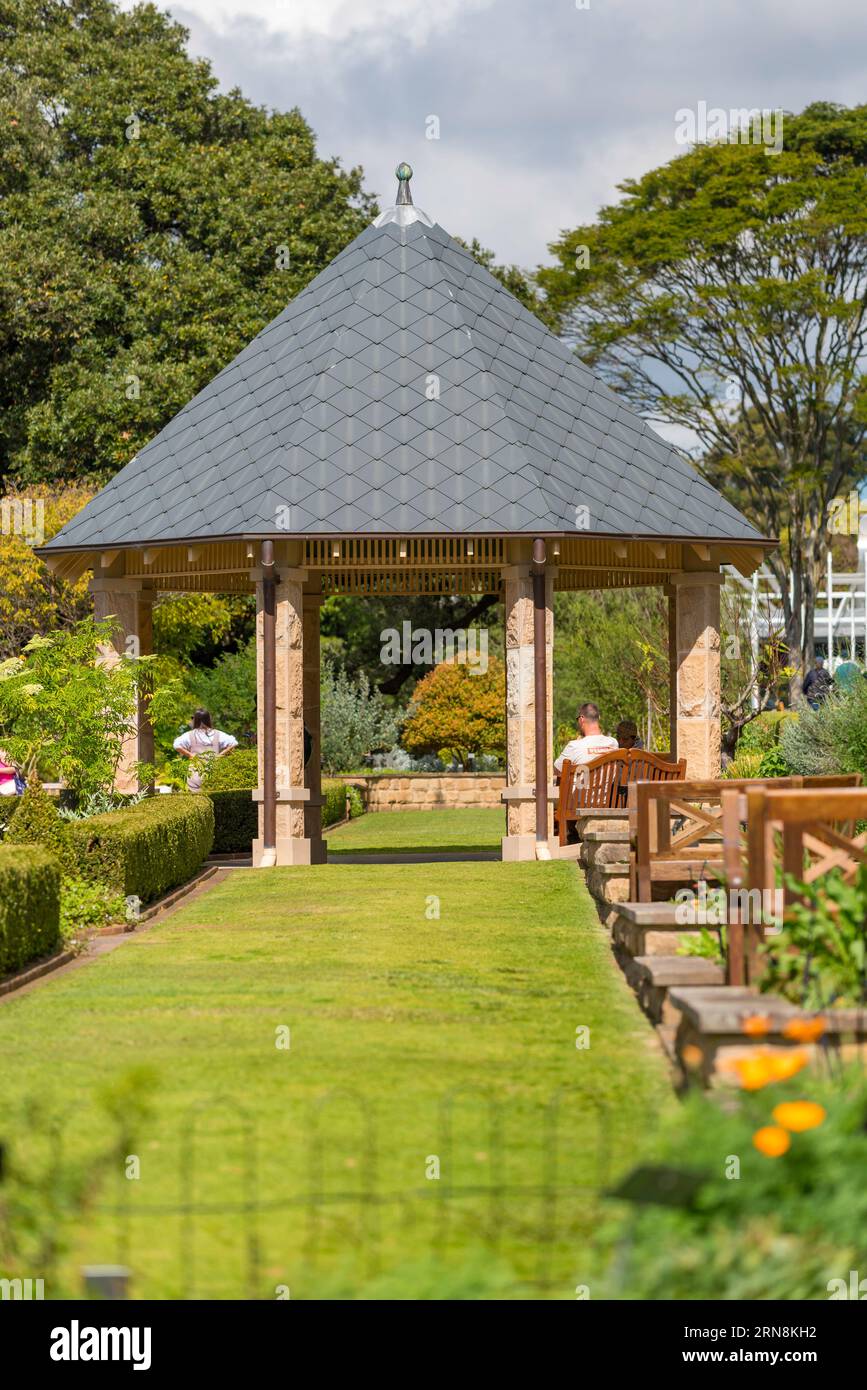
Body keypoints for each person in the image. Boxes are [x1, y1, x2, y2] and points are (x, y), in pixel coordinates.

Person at [173, 709, 237, 790]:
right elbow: (233, 743)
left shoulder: (189, 735)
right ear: (208, 720)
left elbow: (176, 745)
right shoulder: (217, 734)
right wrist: (220, 755)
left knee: (197, 799)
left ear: (195, 720)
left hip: (195, 773)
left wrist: (190, 755)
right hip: (214, 771)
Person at [554, 702, 618, 778]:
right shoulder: (613, 743)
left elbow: (557, 771)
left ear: (581, 719)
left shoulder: (574, 746)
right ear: (599, 718)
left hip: (581, 789)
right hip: (606, 790)